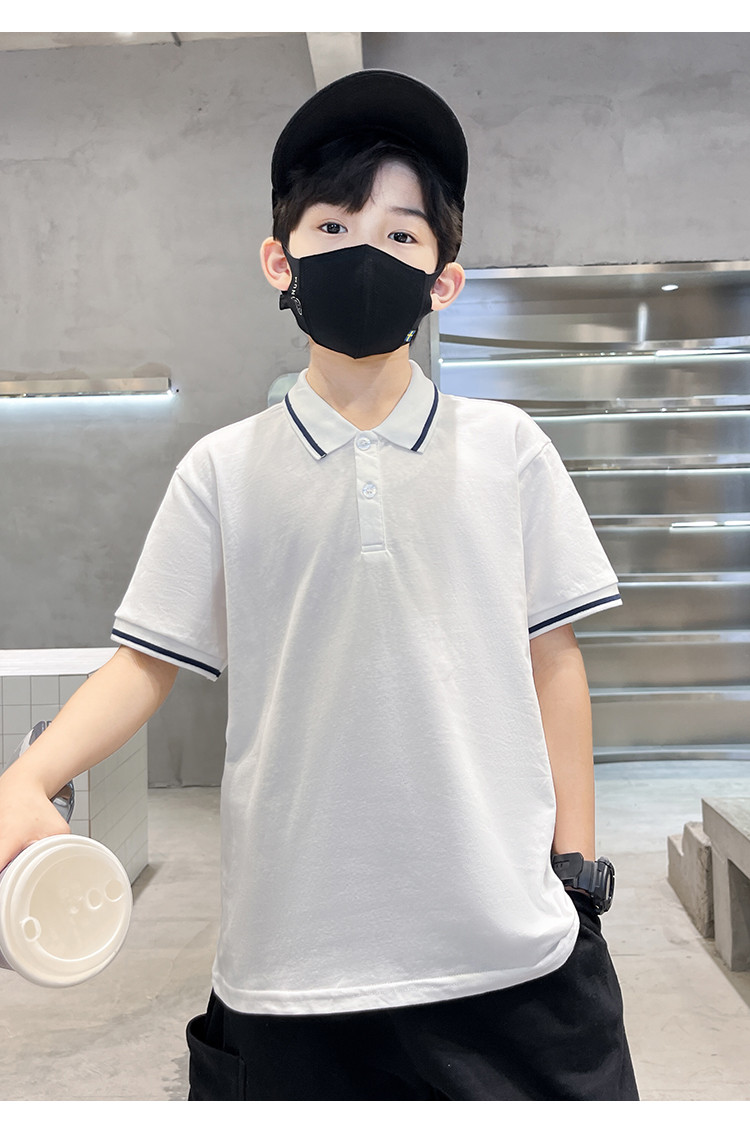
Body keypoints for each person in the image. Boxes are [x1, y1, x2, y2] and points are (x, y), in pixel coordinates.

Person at [0, 70, 639, 1101]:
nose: (364, 251)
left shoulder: (511, 450)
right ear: (279, 260)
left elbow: (553, 661)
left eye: (401, 235)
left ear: (443, 280)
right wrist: (25, 779)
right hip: (293, 967)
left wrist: (577, 868)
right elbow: (142, 663)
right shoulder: (221, 470)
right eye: (334, 226)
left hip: (516, 956)